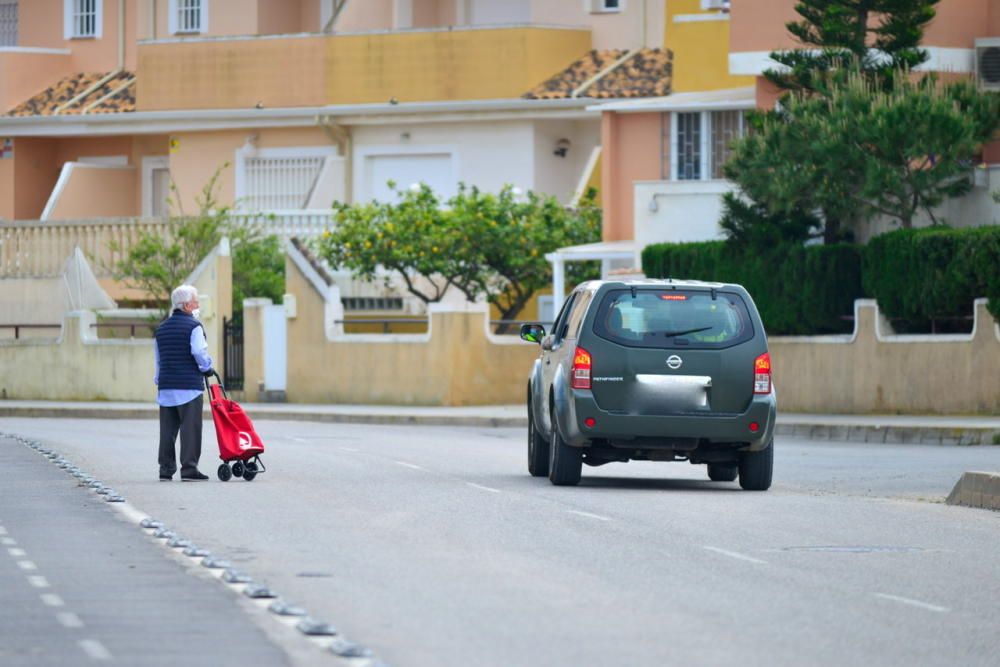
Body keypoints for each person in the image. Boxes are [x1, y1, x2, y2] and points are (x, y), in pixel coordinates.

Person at [153, 285, 214, 481]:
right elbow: (198, 352)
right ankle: (189, 469)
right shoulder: (194, 326)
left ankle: (165, 469)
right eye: (196, 302)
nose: (198, 306)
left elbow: (158, 360)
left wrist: (160, 380)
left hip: (166, 386)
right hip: (189, 387)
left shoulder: (161, 330)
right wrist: (207, 367)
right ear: (187, 305)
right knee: (190, 430)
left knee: (167, 431)